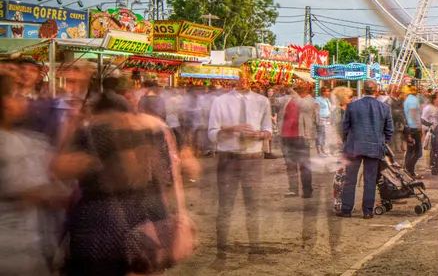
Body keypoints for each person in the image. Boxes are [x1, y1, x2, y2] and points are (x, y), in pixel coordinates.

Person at [59, 77, 192, 274]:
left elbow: (62, 169)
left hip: (99, 222)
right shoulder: (151, 130)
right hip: (125, 220)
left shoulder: (89, 131)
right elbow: (166, 180)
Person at [0, 74, 64, 276]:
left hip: (28, 244)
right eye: (14, 95)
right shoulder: (7, 144)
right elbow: (22, 190)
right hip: (10, 252)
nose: (23, 100)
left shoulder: (25, 139)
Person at [207, 72, 273, 258]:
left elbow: (268, 129)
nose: (244, 80)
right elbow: (212, 133)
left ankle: (255, 246)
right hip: (228, 158)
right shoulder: (220, 102)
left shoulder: (262, 101)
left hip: (253, 158)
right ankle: (222, 249)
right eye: (240, 77)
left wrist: (260, 135)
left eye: (248, 77)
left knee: (253, 204)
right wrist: (232, 128)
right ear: (234, 80)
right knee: (225, 205)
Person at [339, 79, 393, 218]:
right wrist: (381, 141)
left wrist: (346, 141)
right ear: (375, 91)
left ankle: (346, 210)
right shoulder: (384, 108)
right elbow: (389, 130)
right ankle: (367, 212)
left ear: (362, 91)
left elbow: (344, 127)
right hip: (374, 148)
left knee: (350, 179)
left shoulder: (352, 106)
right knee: (370, 180)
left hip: (354, 147)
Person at [280, 84, 318, 199]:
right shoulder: (290, 99)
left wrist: (292, 92)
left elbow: (302, 106)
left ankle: (307, 190)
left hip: (301, 136)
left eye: (301, 85)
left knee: (304, 165)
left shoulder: (310, 101)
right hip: (286, 135)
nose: (298, 87)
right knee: (290, 165)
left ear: (307, 88)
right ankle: (293, 189)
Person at [402, 85, 423, 177]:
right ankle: (409, 168)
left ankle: (409, 172)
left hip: (408, 128)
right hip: (414, 128)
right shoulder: (413, 100)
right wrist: (419, 125)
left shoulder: (407, 100)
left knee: (410, 151)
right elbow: (413, 113)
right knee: (418, 152)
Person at [424, 92, 438, 175]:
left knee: (437, 149)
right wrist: (430, 126)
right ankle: (433, 165)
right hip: (433, 131)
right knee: (433, 149)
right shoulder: (429, 108)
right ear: (434, 99)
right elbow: (423, 119)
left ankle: (436, 164)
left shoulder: (437, 107)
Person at [316, 86, 332, 155]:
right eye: (327, 91)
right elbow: (316, 110)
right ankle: (319, 151)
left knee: (324, 134)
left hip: (327, 119)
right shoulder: (318, 99)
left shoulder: (327, 100)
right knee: (320, 134)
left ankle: (323, 149)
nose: (328, 93)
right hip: (321, 118)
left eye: (329, 91)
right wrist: (317, 119)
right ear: (323, 92)